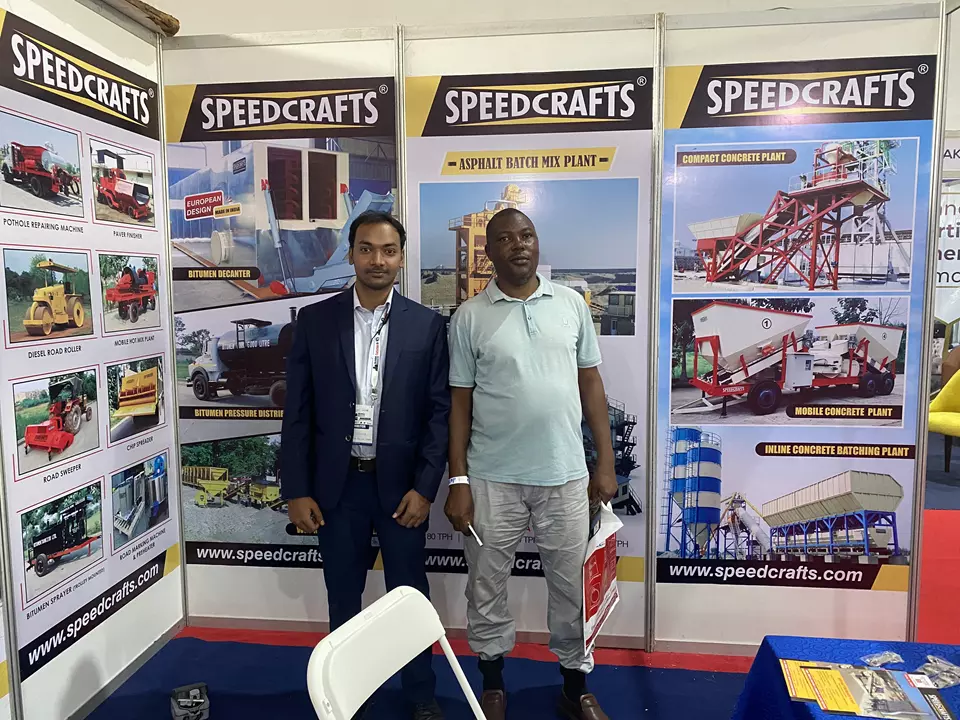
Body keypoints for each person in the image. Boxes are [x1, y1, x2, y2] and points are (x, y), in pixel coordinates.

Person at [445, 208, 618, 720]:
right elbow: (459, 403)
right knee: (486, 585)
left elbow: (591, 384)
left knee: (572, 588)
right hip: (490, 477)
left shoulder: (571, 305)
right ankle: (493, 685)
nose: (519, 245)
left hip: (565, 475)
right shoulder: (469, 317)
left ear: (537, 243)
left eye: (527, 235)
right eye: (505, 238)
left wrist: (604, 461)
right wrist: (459, 479)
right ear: (489, 252)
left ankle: (574, 687)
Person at [281, 211, 450, 720]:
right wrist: (297, 490)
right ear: (351, 254)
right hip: (337, 491)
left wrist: (426, 488)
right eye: (367, 249)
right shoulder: (315, 322)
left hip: (402, 490)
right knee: (342, 596)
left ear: (401, 257)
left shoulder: (427, 325)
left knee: (409, 597)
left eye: (389, 250)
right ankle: (349, 694)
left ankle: (420, 694)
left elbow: (439, 414)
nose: (378, 260)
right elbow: (297, 413)